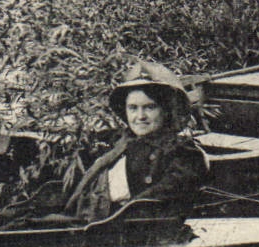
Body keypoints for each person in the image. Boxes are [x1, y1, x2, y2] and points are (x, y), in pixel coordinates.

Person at [61, 61, 209, 221]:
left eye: (150, 107)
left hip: (133, 230)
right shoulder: (122, 144)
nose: (140, 116)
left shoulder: (182, 152)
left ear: (166, 111)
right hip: (94, 219)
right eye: (133, 108)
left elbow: (163, 197)